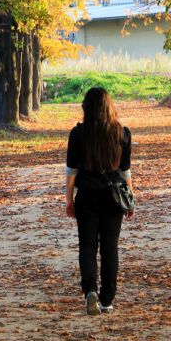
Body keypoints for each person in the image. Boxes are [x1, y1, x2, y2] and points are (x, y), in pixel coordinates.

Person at [65, 87, 134, 315]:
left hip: (87, 194)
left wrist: (69, 200)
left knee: (87, 246)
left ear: (86, 108)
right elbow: (125, 172)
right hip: (114, 197)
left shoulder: (78, 134)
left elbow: (71, 172)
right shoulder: (121, 133)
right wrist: (130, 199)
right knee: (109, 247)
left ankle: (90, 291)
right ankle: (107, 299)